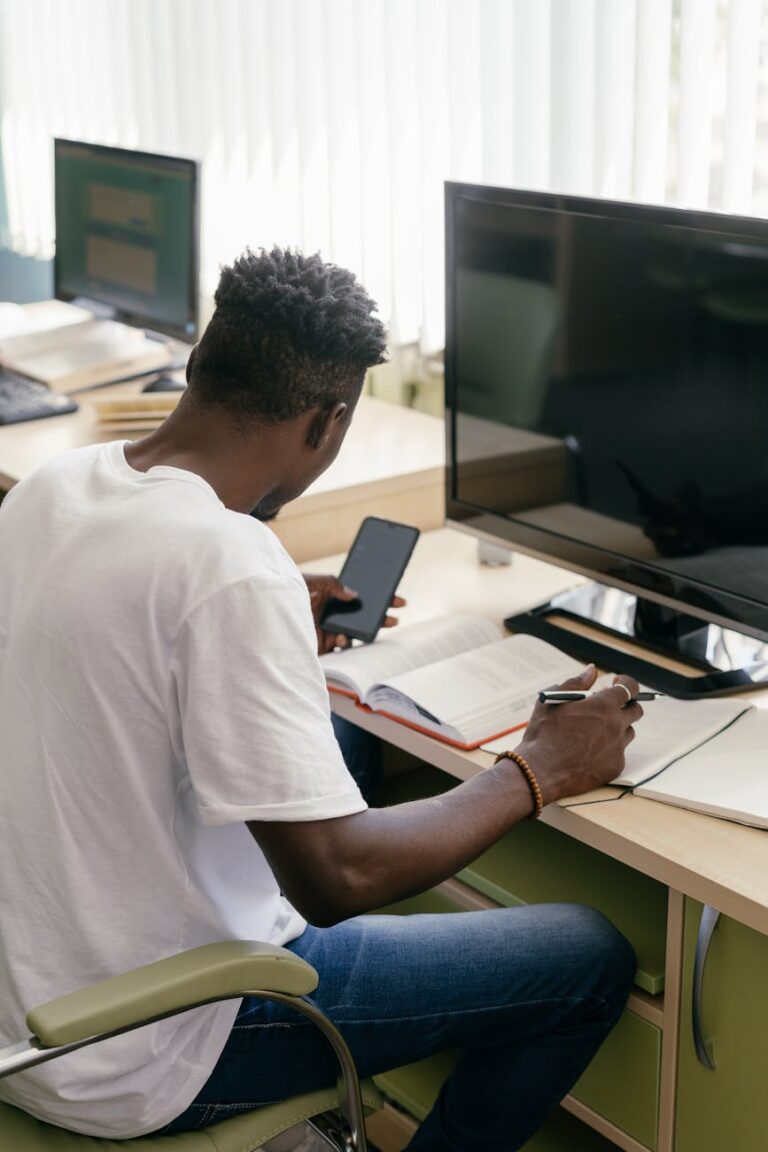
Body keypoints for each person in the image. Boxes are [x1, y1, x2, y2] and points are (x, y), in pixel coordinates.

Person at [0, 247, 642, 1150]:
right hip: (149, 1042)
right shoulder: (229, 563)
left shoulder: (54, 488)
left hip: (28, 1004)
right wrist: (537, 769)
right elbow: (336, 880)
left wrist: (256, 644)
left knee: (351, 757)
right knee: (588, 956)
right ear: (330, 423)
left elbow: (114, 659)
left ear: (197, 365)